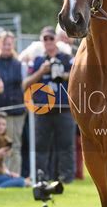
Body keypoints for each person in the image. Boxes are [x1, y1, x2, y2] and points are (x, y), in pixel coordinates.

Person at [23, 26, 75, 183]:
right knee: (41, 146)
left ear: (56, 40)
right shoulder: (37, 60)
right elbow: (25, 84)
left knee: (66, 144)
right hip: (42, 109)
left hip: (63, 108)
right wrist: (41, 71)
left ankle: (66, 176)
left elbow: (76, 77)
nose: (48, 42)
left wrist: (62, 75)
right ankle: (42, 176)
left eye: (51, 38)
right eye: (45, 39)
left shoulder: (66, 58)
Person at [0, 32, 26, 175]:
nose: (7, 47)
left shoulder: (20, 64)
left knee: (15, 145)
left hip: (17, 112)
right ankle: (1, 174)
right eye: (4, 44)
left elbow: (25, 86)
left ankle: (15, 175)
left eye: (9, 44)